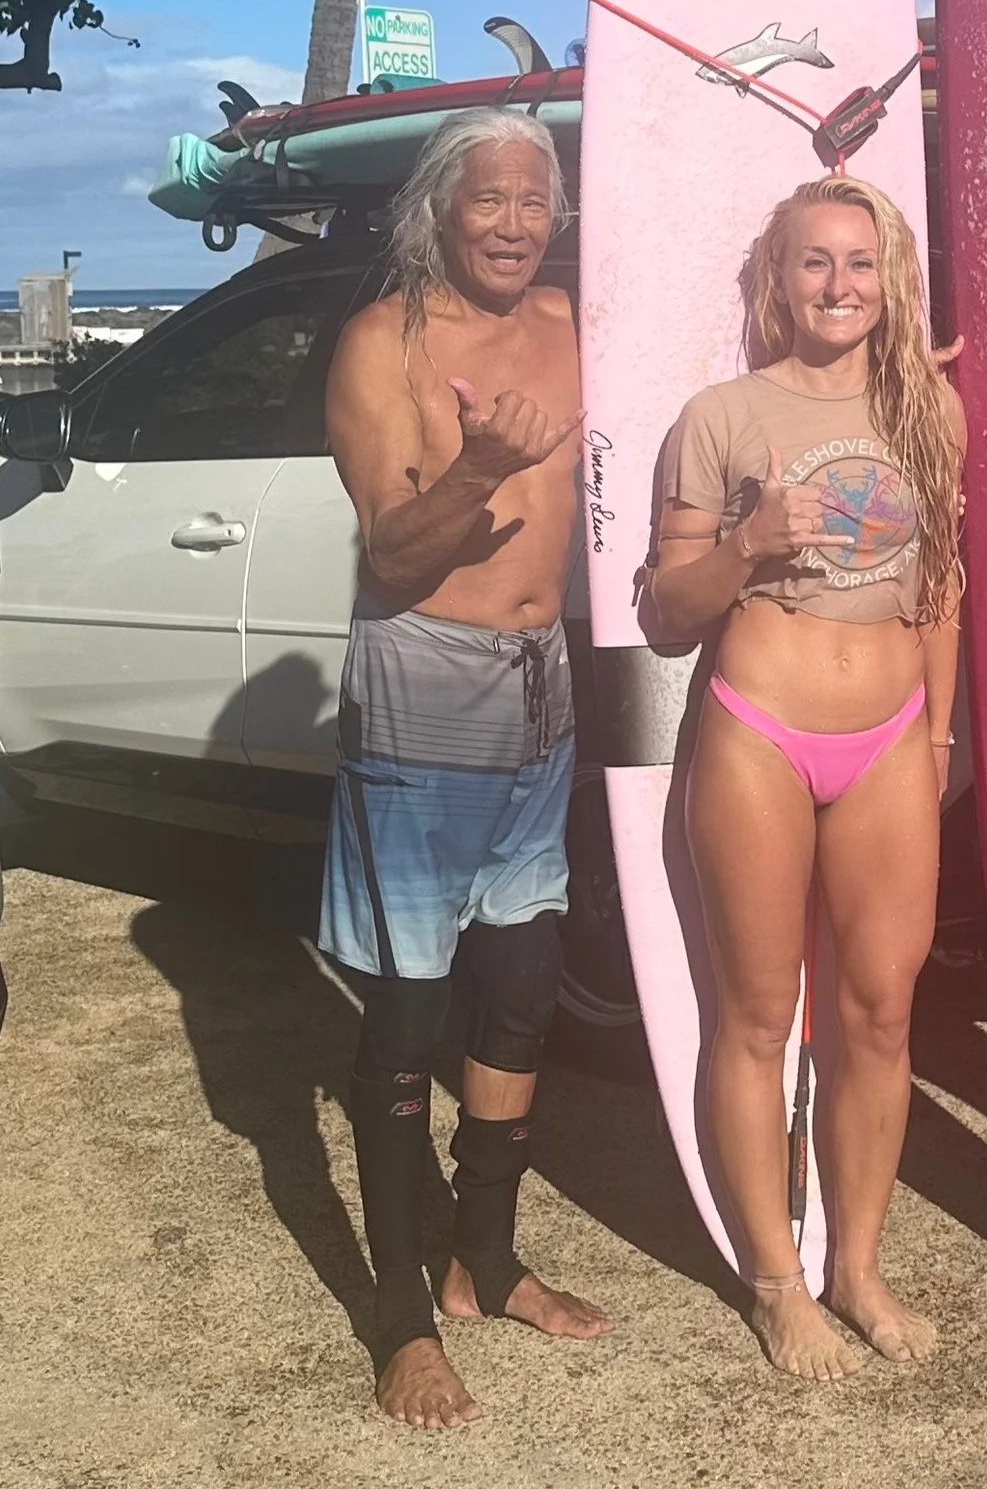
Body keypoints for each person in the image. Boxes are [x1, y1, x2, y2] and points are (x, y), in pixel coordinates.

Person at [647, 175, 964, 1382]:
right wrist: (746, 546)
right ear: (777, 283)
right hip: (758, 732)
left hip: (891, 735)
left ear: (891, 282)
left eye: (860, 262)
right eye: (814, 262)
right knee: (756, 1015)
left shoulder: (930, 409)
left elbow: (943, 585)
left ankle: (859, 1268)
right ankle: (779, 1285)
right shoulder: (720, 415)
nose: (839, 284)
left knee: (879, 1013)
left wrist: (939, 738)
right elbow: (666, 613)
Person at [322, 107, 611, 1430]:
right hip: (424, 686)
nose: (512, 222)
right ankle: (401, 1315)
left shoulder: (566, 318)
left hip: (542, 686)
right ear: (438, 208)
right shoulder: (381, 345)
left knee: (522, 987)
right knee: (405, 1020)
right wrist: (482, 465)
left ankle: (483, 1258)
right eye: (487, 198)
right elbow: (390, 553)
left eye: (533, 199)